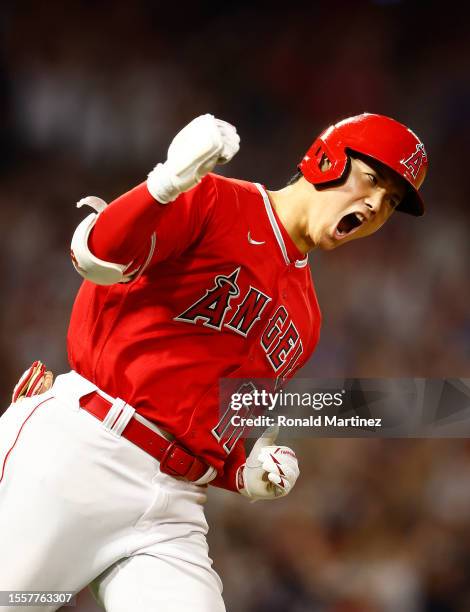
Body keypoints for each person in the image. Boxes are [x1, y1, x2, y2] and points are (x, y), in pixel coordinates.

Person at [0, 112, 428, 612]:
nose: (377, 205)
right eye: (373, 179)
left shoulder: (307, 316)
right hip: (86, 451)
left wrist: (243, 470)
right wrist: (163, 184)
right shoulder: (217, 199)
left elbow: (218, 423)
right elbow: (97, 255)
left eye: (392, 201)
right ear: (325, 160)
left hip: (174, 507)